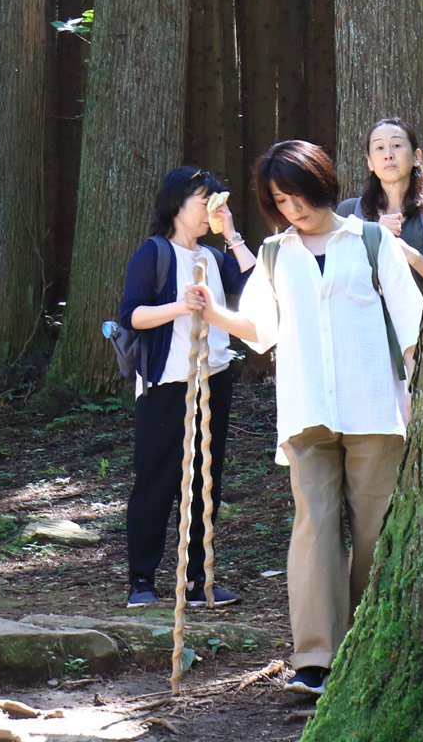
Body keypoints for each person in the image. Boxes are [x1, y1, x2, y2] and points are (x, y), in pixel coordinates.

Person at [225, 140, 422, 699]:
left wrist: (415, 387)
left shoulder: (370, 240)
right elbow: (260, 332)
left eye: (299, 195)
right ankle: (315, 659)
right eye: (280, 200)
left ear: (322, 184)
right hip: (307, 409)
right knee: (313, 530)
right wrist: (211, 311)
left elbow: (411, 321)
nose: (293, 209)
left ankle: (369, 646)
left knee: (373, 531)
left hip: (374, 408)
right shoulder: (273, 254)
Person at [118, 166, 257, 610]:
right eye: (205, 201)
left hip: (214, 381)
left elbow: (258, 292)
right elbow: (132, 316)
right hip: (165, 385)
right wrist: (181, 305)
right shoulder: (154, 253)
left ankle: (199, 579)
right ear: (177, 205)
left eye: (217, 201)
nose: (211, 209)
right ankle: (142, 580)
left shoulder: (216, 259)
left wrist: (231, 234)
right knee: (157, 481)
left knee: (205, 483)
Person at [338, 117, 423, 290]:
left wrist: (409, 254)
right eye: (379, 148)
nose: (388, 155)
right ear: (370, 162)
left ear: (416, 157)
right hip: (368, 317)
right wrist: (372, 236)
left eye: (396, 145)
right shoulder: (350, 212)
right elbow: (337, 278)